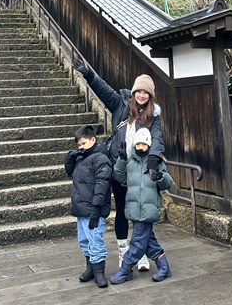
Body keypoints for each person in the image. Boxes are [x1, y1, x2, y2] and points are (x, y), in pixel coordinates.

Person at [72, 59, 165, 270]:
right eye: (139, 91)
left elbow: (157, 139)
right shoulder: (120, 105)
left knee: (140, 212)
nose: (142, 96)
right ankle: (124, 250)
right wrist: (89, 74)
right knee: (123, 210)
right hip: (119, 167)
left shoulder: (154, 117)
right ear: (133, 92)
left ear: (150, 96)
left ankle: (139, 250)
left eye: (146, 93)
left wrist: (153, 160)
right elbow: (103, 90)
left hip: (140, 170)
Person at [109, 127, 173, 284]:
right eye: (137, 144)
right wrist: (121, 160)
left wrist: (160, 177)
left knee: (137, 243)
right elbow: (119, 176)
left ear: (149, 145)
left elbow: (168, 182)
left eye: (143, 145)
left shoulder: (155, 162)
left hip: (148, 209)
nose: (140, 147)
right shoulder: (130, 162)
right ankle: (164, 267)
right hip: (133, 207)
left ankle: (125, 269)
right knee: (148, 241)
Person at [64, 124, 112, 288]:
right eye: (78, 145)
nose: (81, 147)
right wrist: (71, 157)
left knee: (95, 239)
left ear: (93, 139)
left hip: (94, 209)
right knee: (84, 240)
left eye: (83, 144)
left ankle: (99, 272)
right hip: (81, 207)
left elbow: (102, 184)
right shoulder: (81, 158)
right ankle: (90, 268)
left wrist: (96, 208)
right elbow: (70, 172)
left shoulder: (101, 158)